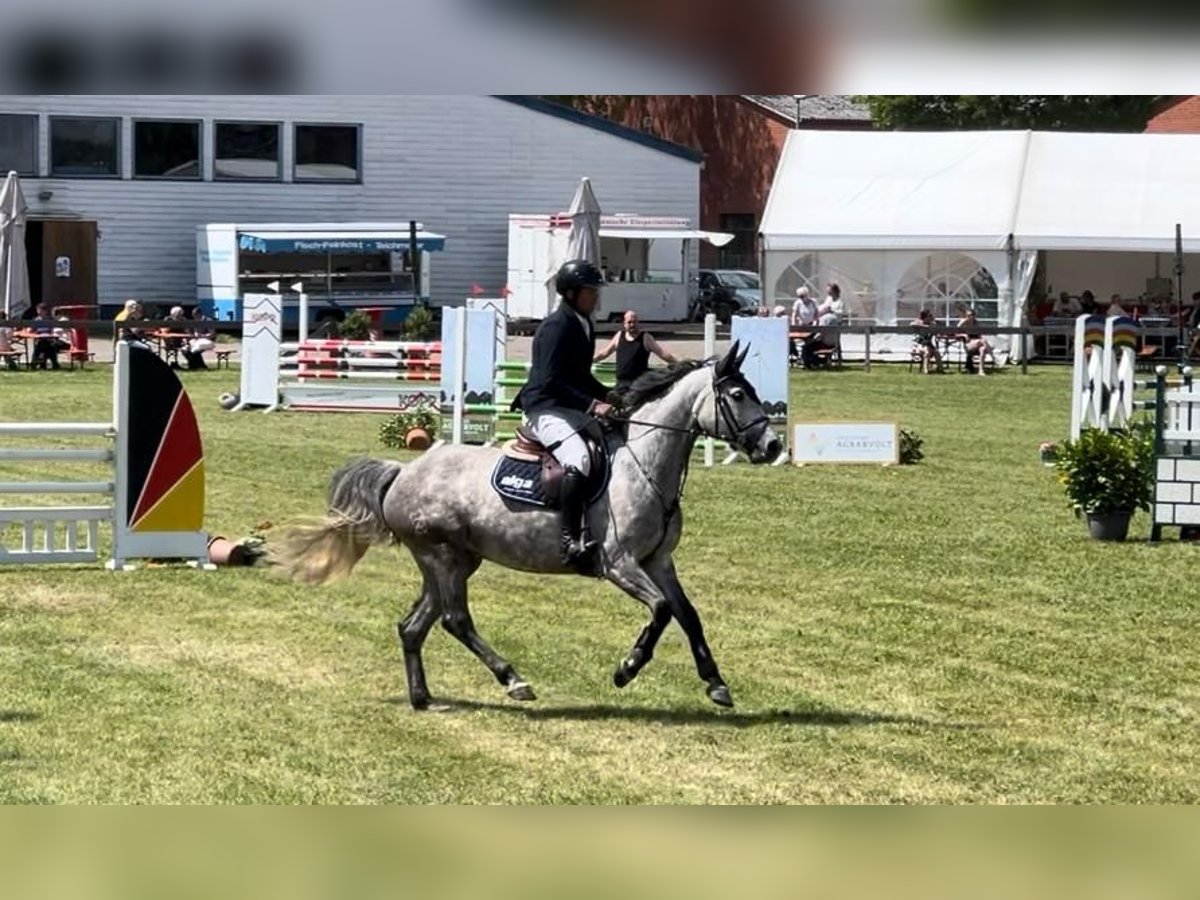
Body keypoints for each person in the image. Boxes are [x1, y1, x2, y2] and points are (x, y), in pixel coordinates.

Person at [512, 259, 614, 575]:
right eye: (590, 291)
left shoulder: (583, 323)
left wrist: (611, 395)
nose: (596, 297)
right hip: (544, 407)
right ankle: (569, 540)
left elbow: (580, 376)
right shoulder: (555, 327)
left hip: (566, 406)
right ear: (571, 293)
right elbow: (552, 380)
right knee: (578, 459)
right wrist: (592, 405)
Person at [594, 309, 677, 391]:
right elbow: (605, 353)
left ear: (638, 322)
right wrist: (590, 360)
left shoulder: (646, 337)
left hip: (638, 386)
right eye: (629, 322)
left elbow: (662, 354)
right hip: (621, 385)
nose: (632, 324)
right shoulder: (619, 335)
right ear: (624, 324)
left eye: (634, 322)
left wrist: (679, 363)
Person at [801, 282, 844, 369]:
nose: (828, 293)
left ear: (834, 291)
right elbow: (823, 308)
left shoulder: (840, 302)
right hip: (822, 325)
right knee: (807, 345)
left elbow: (840, 314)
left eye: (830, 291)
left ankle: (816, 361)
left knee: (807, 347)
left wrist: (831, 310)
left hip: (831, 328)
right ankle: (813, 361)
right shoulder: (828, 299)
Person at [956, 306, 993, 375]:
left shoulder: (976, 323)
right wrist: (964, 335)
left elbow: (980, 334)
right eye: (969, 315)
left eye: (972, 315)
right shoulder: (963, 323)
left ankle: (981, 370)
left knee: (983, 348)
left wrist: (981, 337)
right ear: (966, 316)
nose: (971, 317)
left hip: (977, 343)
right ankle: (993, 357)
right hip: (969, 345)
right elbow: (955, 333)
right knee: (982, 341)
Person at [911, 308, 942, 374]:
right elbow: (912, 324)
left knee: (937, 352)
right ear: (925, 316)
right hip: (919, 344)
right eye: (930, 315)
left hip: (929, 344)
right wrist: (924, 326)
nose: (931, 317)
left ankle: (940, 369)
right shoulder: (919, 321)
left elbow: (935, 330)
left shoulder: (932, 323)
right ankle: (926, 370)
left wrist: (932, 324)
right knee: (927, 352)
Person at [30, 304, 61, 370]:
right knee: (42, 345)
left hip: (48, 338)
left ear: (45, 311)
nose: (39, 312)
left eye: (40, 310)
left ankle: (41, 364)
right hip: (39, 338)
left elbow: (52, 330)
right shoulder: (36, 320)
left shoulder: (49, 319)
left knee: (49, 346)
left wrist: (51, 335)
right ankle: (47, 364)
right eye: (38, 310)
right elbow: (32, 330)